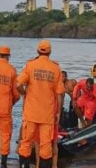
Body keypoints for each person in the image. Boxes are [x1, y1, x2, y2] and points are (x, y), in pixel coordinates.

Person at [17, 40, 64, 168]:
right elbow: (59, 95)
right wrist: (58, 113)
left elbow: (17, 84)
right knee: (46, 146)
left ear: (38, 51)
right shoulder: (56, 68)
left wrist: (25, 94)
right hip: (47, 115)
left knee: (26, 142)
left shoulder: (30, 65)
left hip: (31, 113)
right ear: (50, 52)